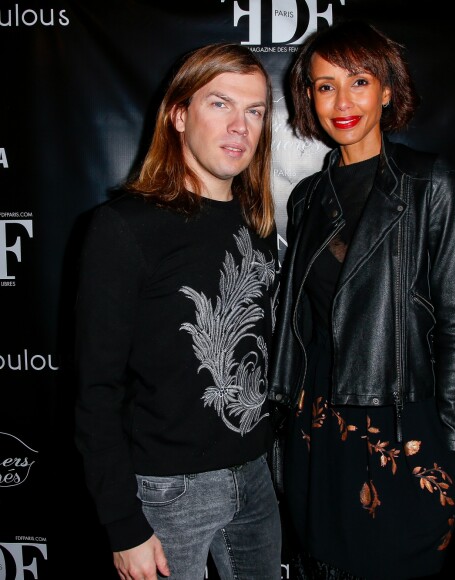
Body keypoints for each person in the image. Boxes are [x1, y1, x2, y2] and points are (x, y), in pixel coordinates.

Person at [269, 20, 455, 580]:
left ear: (388, 91)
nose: (342, 101)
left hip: (400, 424)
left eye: (359, 81)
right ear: (308, 96)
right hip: (316, 428)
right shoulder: (310, 196)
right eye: (325, 85)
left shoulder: (431, 183)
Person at [74, 42, 281, 580]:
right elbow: (95, 389)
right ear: (179, 115)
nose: (241, 125)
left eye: (254, 110)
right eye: (220, 104)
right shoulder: (124, 227)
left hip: (257, 478)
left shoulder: (258, 222)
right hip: (167, 495)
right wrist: (124, 526)